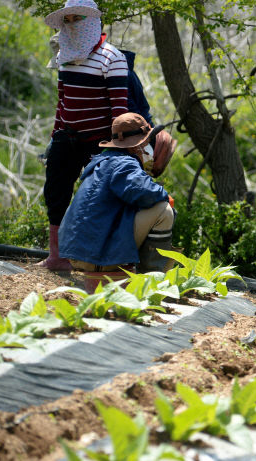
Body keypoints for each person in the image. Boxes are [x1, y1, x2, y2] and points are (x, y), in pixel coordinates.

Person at [40, 0, 129, 271]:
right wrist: (55, 137)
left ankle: (94, 261)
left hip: (97, 142)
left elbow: (119, 110)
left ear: (90, 20)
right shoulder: (64, 56)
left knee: (95, 199)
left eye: (76, 19)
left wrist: (116, 150)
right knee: (55, 193)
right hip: (66, 137)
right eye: (66, 20)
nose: (70, 25)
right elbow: (62, 102)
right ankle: (57, 256)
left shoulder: (112, 58)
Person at [59, 113, 176, 274]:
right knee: (163, 209)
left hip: (79, 253)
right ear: (136, 146)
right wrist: (163, 193)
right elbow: (146, 193)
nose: (149, 146)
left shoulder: (104, 161)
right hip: (94, 257)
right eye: (147, 141)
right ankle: (151, 279)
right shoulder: (124, 164)